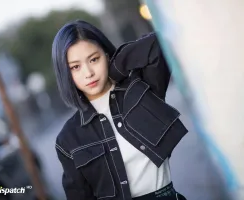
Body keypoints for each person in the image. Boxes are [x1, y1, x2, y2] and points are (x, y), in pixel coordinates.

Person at [52, 20, 188, 200]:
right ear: (65, 73)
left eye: (94, 59)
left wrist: (116, 68)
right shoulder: (68, 138)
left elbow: (157, 45)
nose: (88, 73)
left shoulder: (140, 89)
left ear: (107, 55)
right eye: (75, 67)